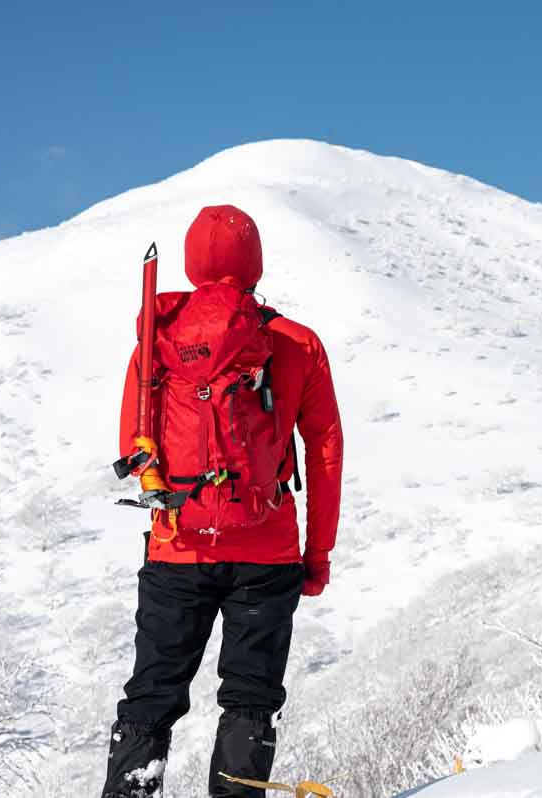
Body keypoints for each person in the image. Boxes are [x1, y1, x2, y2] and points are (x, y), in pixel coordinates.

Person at [100, 205, 344, 798]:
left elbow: (134, 441)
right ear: (255, 264)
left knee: (151, 696)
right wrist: (318, 554)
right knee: (250, 699)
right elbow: (326, 451)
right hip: (267, 549)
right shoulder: (296, 342)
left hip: (176, 542)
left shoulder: (158, 339)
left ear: (191, 262)